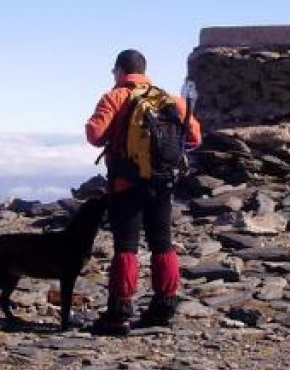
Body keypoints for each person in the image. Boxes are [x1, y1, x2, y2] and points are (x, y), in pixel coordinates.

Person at [85, 49, 202, 335]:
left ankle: (119, 313)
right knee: (162, 243)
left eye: (114, 72)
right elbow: (195, 137)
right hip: (162, 183)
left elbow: (94, 135)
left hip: (126, 184)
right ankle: (164, 306)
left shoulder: (115, 97)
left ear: (120, 71)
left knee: (126, 246)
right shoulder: (170, 99)